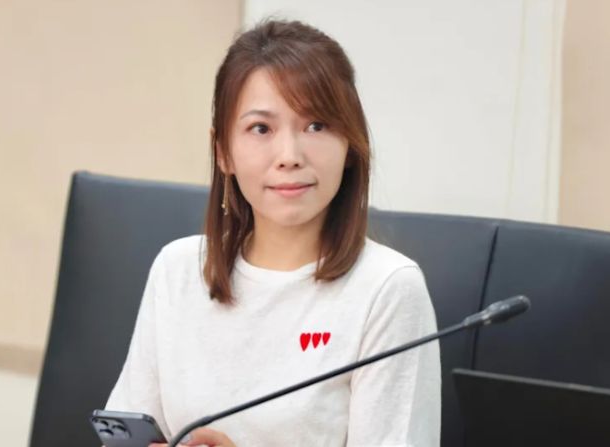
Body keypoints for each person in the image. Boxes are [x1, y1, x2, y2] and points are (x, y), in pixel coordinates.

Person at [105, 19, 441, 447]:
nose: (289, 156)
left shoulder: (388, 289)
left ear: (350, 146)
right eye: (261, 129)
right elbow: (127, 436)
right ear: (223, 152)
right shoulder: (178, 269)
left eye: (316, 125)